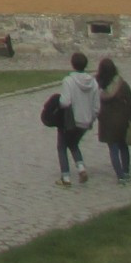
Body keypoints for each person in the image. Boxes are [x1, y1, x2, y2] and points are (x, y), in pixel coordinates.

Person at [56, 50, 99, 186]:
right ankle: (81, 168)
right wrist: (91, 120)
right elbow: (97, 107)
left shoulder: (68, 81)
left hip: (71, 121)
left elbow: (65, 102)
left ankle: (66, 177)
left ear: (72, 64)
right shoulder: (94, 83)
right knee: (73, 144)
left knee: (62, 146)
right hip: (85, 121)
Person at [95, 57, 131, 184]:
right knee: (123, 146)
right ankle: (126, 171)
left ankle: (120, 176)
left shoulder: (98, 86)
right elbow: (130, 103)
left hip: (106, 122)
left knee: (113, 149)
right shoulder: (122, 85)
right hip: (121, 120)